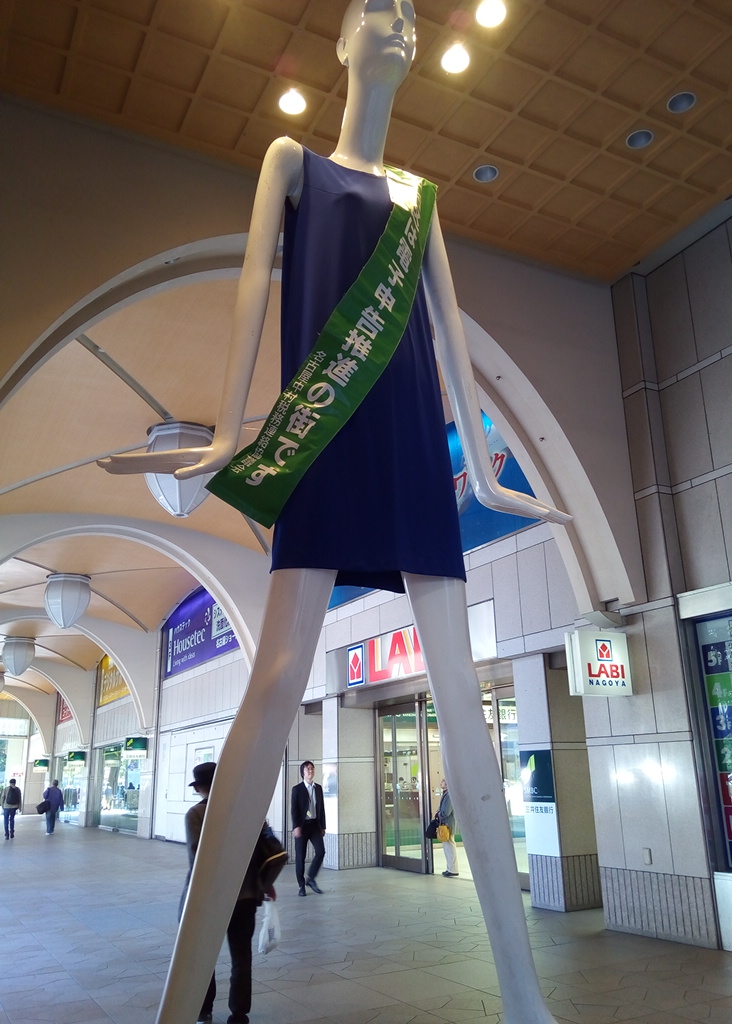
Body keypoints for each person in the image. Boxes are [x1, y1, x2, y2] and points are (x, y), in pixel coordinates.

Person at [100, 3, 568, 1022]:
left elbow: (451, 339)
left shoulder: (422, 199)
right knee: (274, 682)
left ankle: (526, 997)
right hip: (322, 437)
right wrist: (230, 431)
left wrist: (486, 470)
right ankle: (176, 1005)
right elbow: (253, 294)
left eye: (409, 13)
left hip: (409, 445)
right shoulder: (293, 165)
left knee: (462, 697)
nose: (397, 22)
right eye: (376, 10)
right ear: (344, 40)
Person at [184, 761, 275, 1024]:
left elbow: (198, 861)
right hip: (245, 895)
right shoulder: (247, 810)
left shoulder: (195, 814)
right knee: (241, 956)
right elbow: (260, 852)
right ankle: (239, 1013)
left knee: (205, 957)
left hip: (210, 899)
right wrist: (266, 883)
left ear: (199, 787)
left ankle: (204, 1010)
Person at [290, 760, 325, 896]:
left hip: (315, 825)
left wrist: (323, 826)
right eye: (308, 769)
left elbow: (321, 808)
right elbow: (294, 810)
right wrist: (296, 826)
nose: (310, 771)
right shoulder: (297, 789)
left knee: (321, 851)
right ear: (303, 773)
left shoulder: (318, 788)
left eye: (312, 768)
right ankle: (301, 886)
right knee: (300, 857)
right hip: (302, 826)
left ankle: (311, 878)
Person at [436, 778, 458, 877]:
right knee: (448, 846)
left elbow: (446, 811)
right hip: (447, 824)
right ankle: (451, 868)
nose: (441, 783)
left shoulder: (449, 795)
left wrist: (439, 814)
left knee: (449, 846)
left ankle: (452, 869)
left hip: (447, 824)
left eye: (443, 781)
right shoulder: (446, 794)